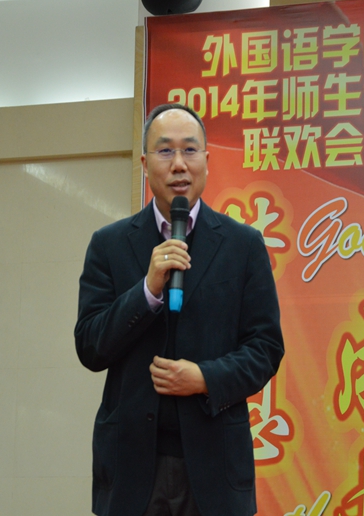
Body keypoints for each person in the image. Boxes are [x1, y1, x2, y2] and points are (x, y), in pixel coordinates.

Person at [75, 103, 284, 516]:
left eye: (190, 150)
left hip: (215, 467)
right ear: (145, 163)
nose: (179, 164)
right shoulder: (109, 244)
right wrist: (147, 290)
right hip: (131, 468)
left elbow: (265, 348)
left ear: (206, 159)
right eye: (165, 151)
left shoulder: (243, 245)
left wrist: (204, 378)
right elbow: (90, 347)